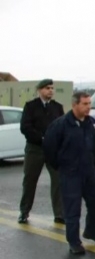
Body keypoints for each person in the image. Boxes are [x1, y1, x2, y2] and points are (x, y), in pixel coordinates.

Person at [42, 91, 95, 255]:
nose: (88, 107)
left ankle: (91, 231)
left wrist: (92, 164)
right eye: (84, 104)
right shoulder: (61, 125)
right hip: (70, 173)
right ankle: (74, 242)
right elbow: (49, 149)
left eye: (89, 103)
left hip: (89, 172)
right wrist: (62, 167)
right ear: (74, 105)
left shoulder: (92, 123)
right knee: (72, 209)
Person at [18, 78, 65, 224]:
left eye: (51, 88)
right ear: (39, 90)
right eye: (47, 88)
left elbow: (62, 127)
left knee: (58, 181)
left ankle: (60, 214)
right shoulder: (31, 106)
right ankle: (24, 212)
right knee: (29, 181)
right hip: (35, 149)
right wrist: (41, 138)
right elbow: (25, 127)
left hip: (53, 150)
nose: (50, 90)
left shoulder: (57, 107)